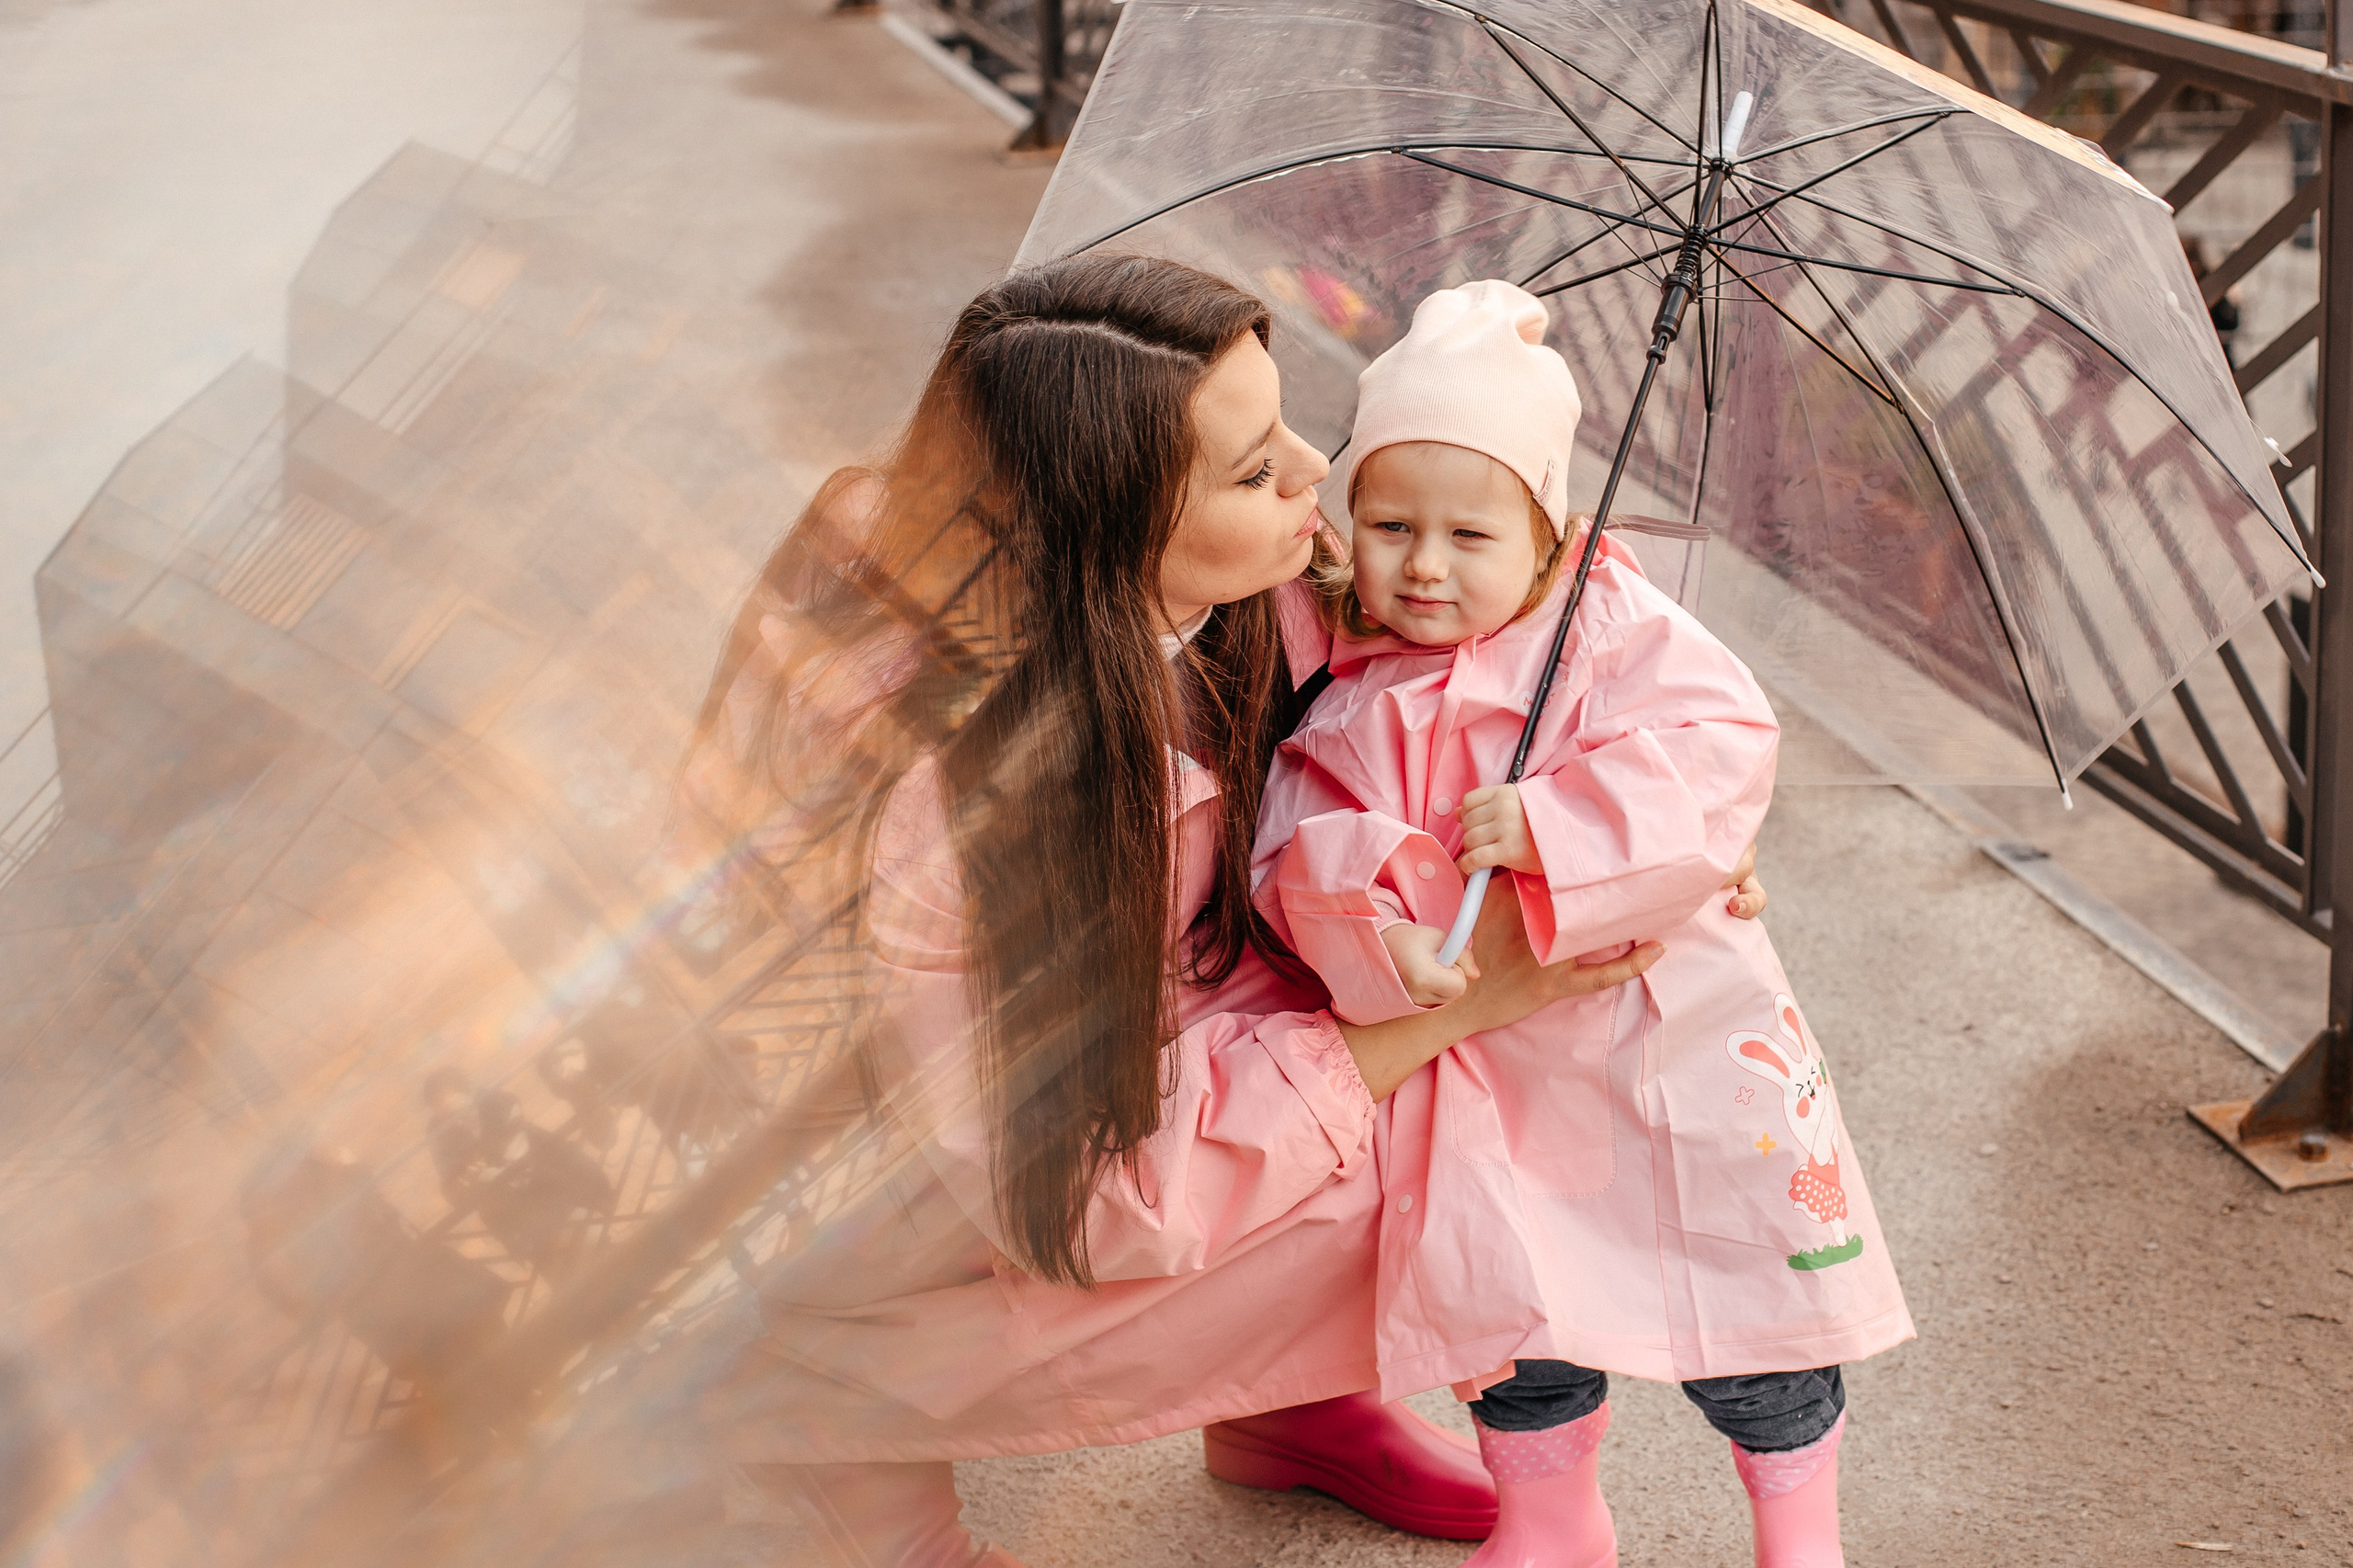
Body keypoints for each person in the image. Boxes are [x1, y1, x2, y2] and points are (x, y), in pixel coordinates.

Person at [684, 256, 1756, 1568]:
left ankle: (1290, 1405)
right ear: (1115, 528)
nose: (1319, 471)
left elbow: (1517, 668)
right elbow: (1099, 1190)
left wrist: (1637, 834)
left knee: (1442, 989)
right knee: (1476, 1114)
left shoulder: (1207, 602)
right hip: (911, 1215)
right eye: (1255, 473)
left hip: (1110, 1064)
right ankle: (843, 1449)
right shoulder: (970, 803)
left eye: (1292, 421)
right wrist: (1478, 991)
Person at [1253, 280, 1913, 1568]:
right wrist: (1368, 901)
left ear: (1550, 535)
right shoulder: (1349, 668)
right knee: (1517, 1306)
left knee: (1742, 1300)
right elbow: (1297, 830)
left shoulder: (1613, 633)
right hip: (1492, 1064)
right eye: (1389, 524)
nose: (1425, 565)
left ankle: (1800, 1526)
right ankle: (1551, 1518)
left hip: (1664, 1040)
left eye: (1470, 533)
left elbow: (1722, 755)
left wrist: (1562, 822)